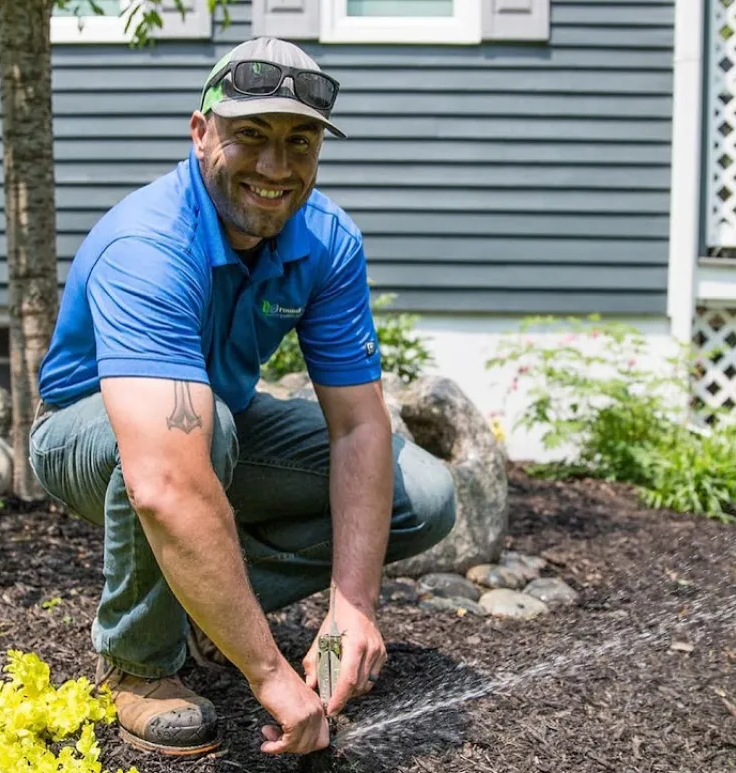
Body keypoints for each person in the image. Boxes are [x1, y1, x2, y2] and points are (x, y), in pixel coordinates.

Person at [28, 36, 456, 758]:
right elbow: (166, 479)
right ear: (200, 133)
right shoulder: (148, 244)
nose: (275, 166)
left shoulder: (326, 241)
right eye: (249, 136)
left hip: (215, 421)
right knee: (203, 435)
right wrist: (269, 672)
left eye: (300, 141)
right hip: (86, 432)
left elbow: (357, 428)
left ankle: (202, 608)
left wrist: (351, 606)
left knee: (421, 491)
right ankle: (139, 661)